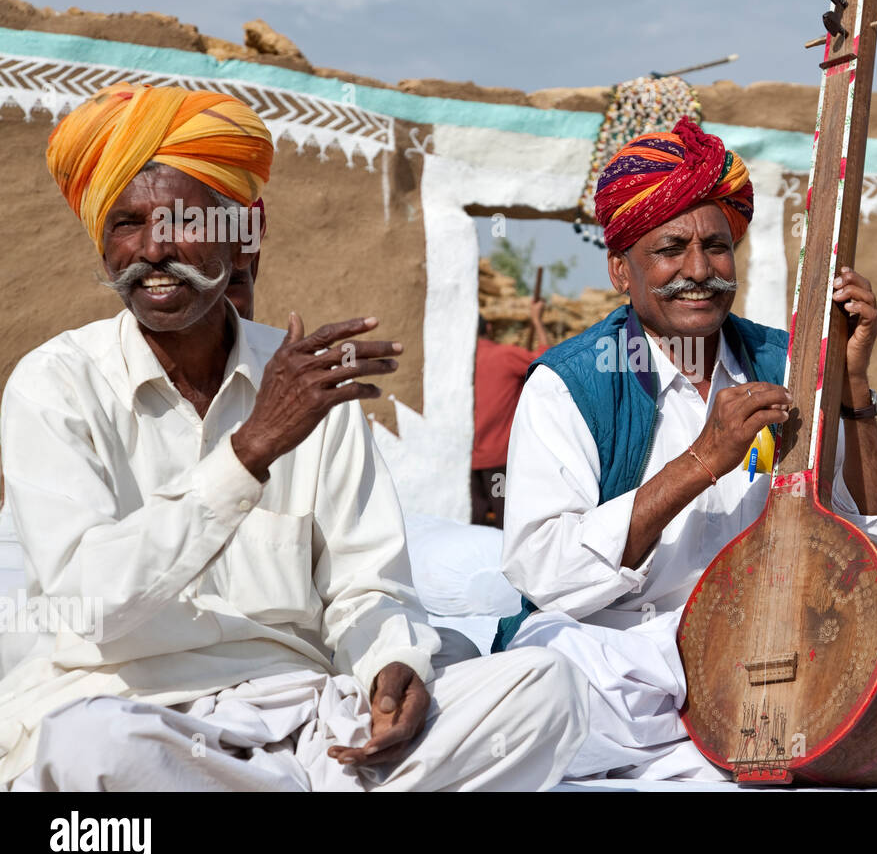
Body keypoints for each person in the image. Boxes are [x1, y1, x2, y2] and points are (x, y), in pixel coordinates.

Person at [0, 83, 586, 791]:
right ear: (103, 244)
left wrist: (390, 666)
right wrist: (250, 452)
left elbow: (368, 582)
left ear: (238, 233)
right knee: (90, 747)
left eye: (184, 220)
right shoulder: (54, 385)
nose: (154, 248)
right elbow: (90, 599)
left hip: (306, 716)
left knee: (544, 687)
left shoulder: (311, 382)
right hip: (139, 710)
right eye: (127, 223)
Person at [497, 118, 877, 781]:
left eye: (717, 248)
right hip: (652, 651)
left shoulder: (786, 362)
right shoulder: (569, 382)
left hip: (801, 640)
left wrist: (852, 389)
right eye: (671, 249)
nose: (698, 271)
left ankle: (785, 737)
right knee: (551, 673)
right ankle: (842, 736)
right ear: (618, 268)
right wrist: (700, 463)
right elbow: (545, 572)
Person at [471, 300, 549, 527]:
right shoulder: (504, 356)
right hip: (501, 462)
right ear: (489, 329)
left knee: (472, 525)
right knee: (508, 524)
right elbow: (547, 361)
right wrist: (537, 320)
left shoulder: (459, 363)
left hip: (467, 462)